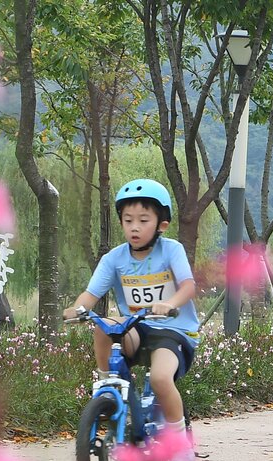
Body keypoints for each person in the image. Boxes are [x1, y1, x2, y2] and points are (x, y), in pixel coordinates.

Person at [63, 179, 200, 439]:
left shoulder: (172, 250)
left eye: (143, 220)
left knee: (160, 379)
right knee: (105, 325)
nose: (134, 227)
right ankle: (108, 384)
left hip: (174, 331)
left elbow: (188, 287)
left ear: (162, 225)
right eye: (128, 220)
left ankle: (179, 441)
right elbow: (91, 295)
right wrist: (77, 309)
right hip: (136, 328)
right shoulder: (113, 259)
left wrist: (170, 304)